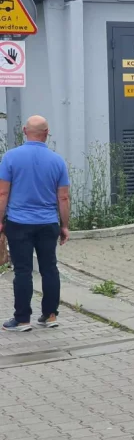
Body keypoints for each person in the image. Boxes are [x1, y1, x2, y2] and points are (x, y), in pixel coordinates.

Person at [0, 116, 70, 332]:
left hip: (18, 223)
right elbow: (63, 197)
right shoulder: (57, 161)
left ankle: (22, 320)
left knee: (23, 271)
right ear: (47, 132)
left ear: (24, 131)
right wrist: (64, 225)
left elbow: (3, 192)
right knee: (50, 268)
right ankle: (50, 316)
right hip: (48, 223)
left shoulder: (10, 157)